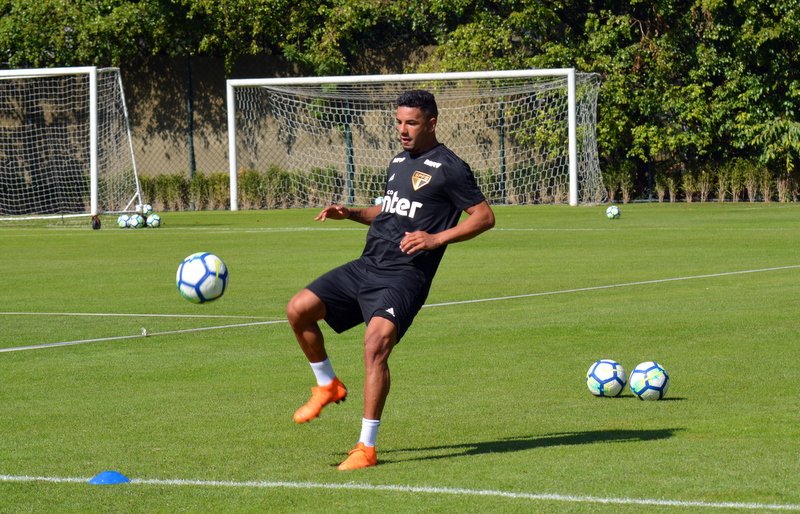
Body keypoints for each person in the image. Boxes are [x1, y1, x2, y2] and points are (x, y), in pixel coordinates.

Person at [286, 89, 495, 471]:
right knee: (298, 309)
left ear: (431, 123)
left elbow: (484, 216)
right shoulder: (398, 160)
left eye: (411, 122)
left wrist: (435, 239)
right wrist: (349, 213)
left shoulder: (451, 167)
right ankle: (328, 385)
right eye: (398, 122)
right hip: (367, 265)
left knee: (375, 343)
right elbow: (387, 210)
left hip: (405, 275)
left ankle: (366, 447)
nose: (402, 129)